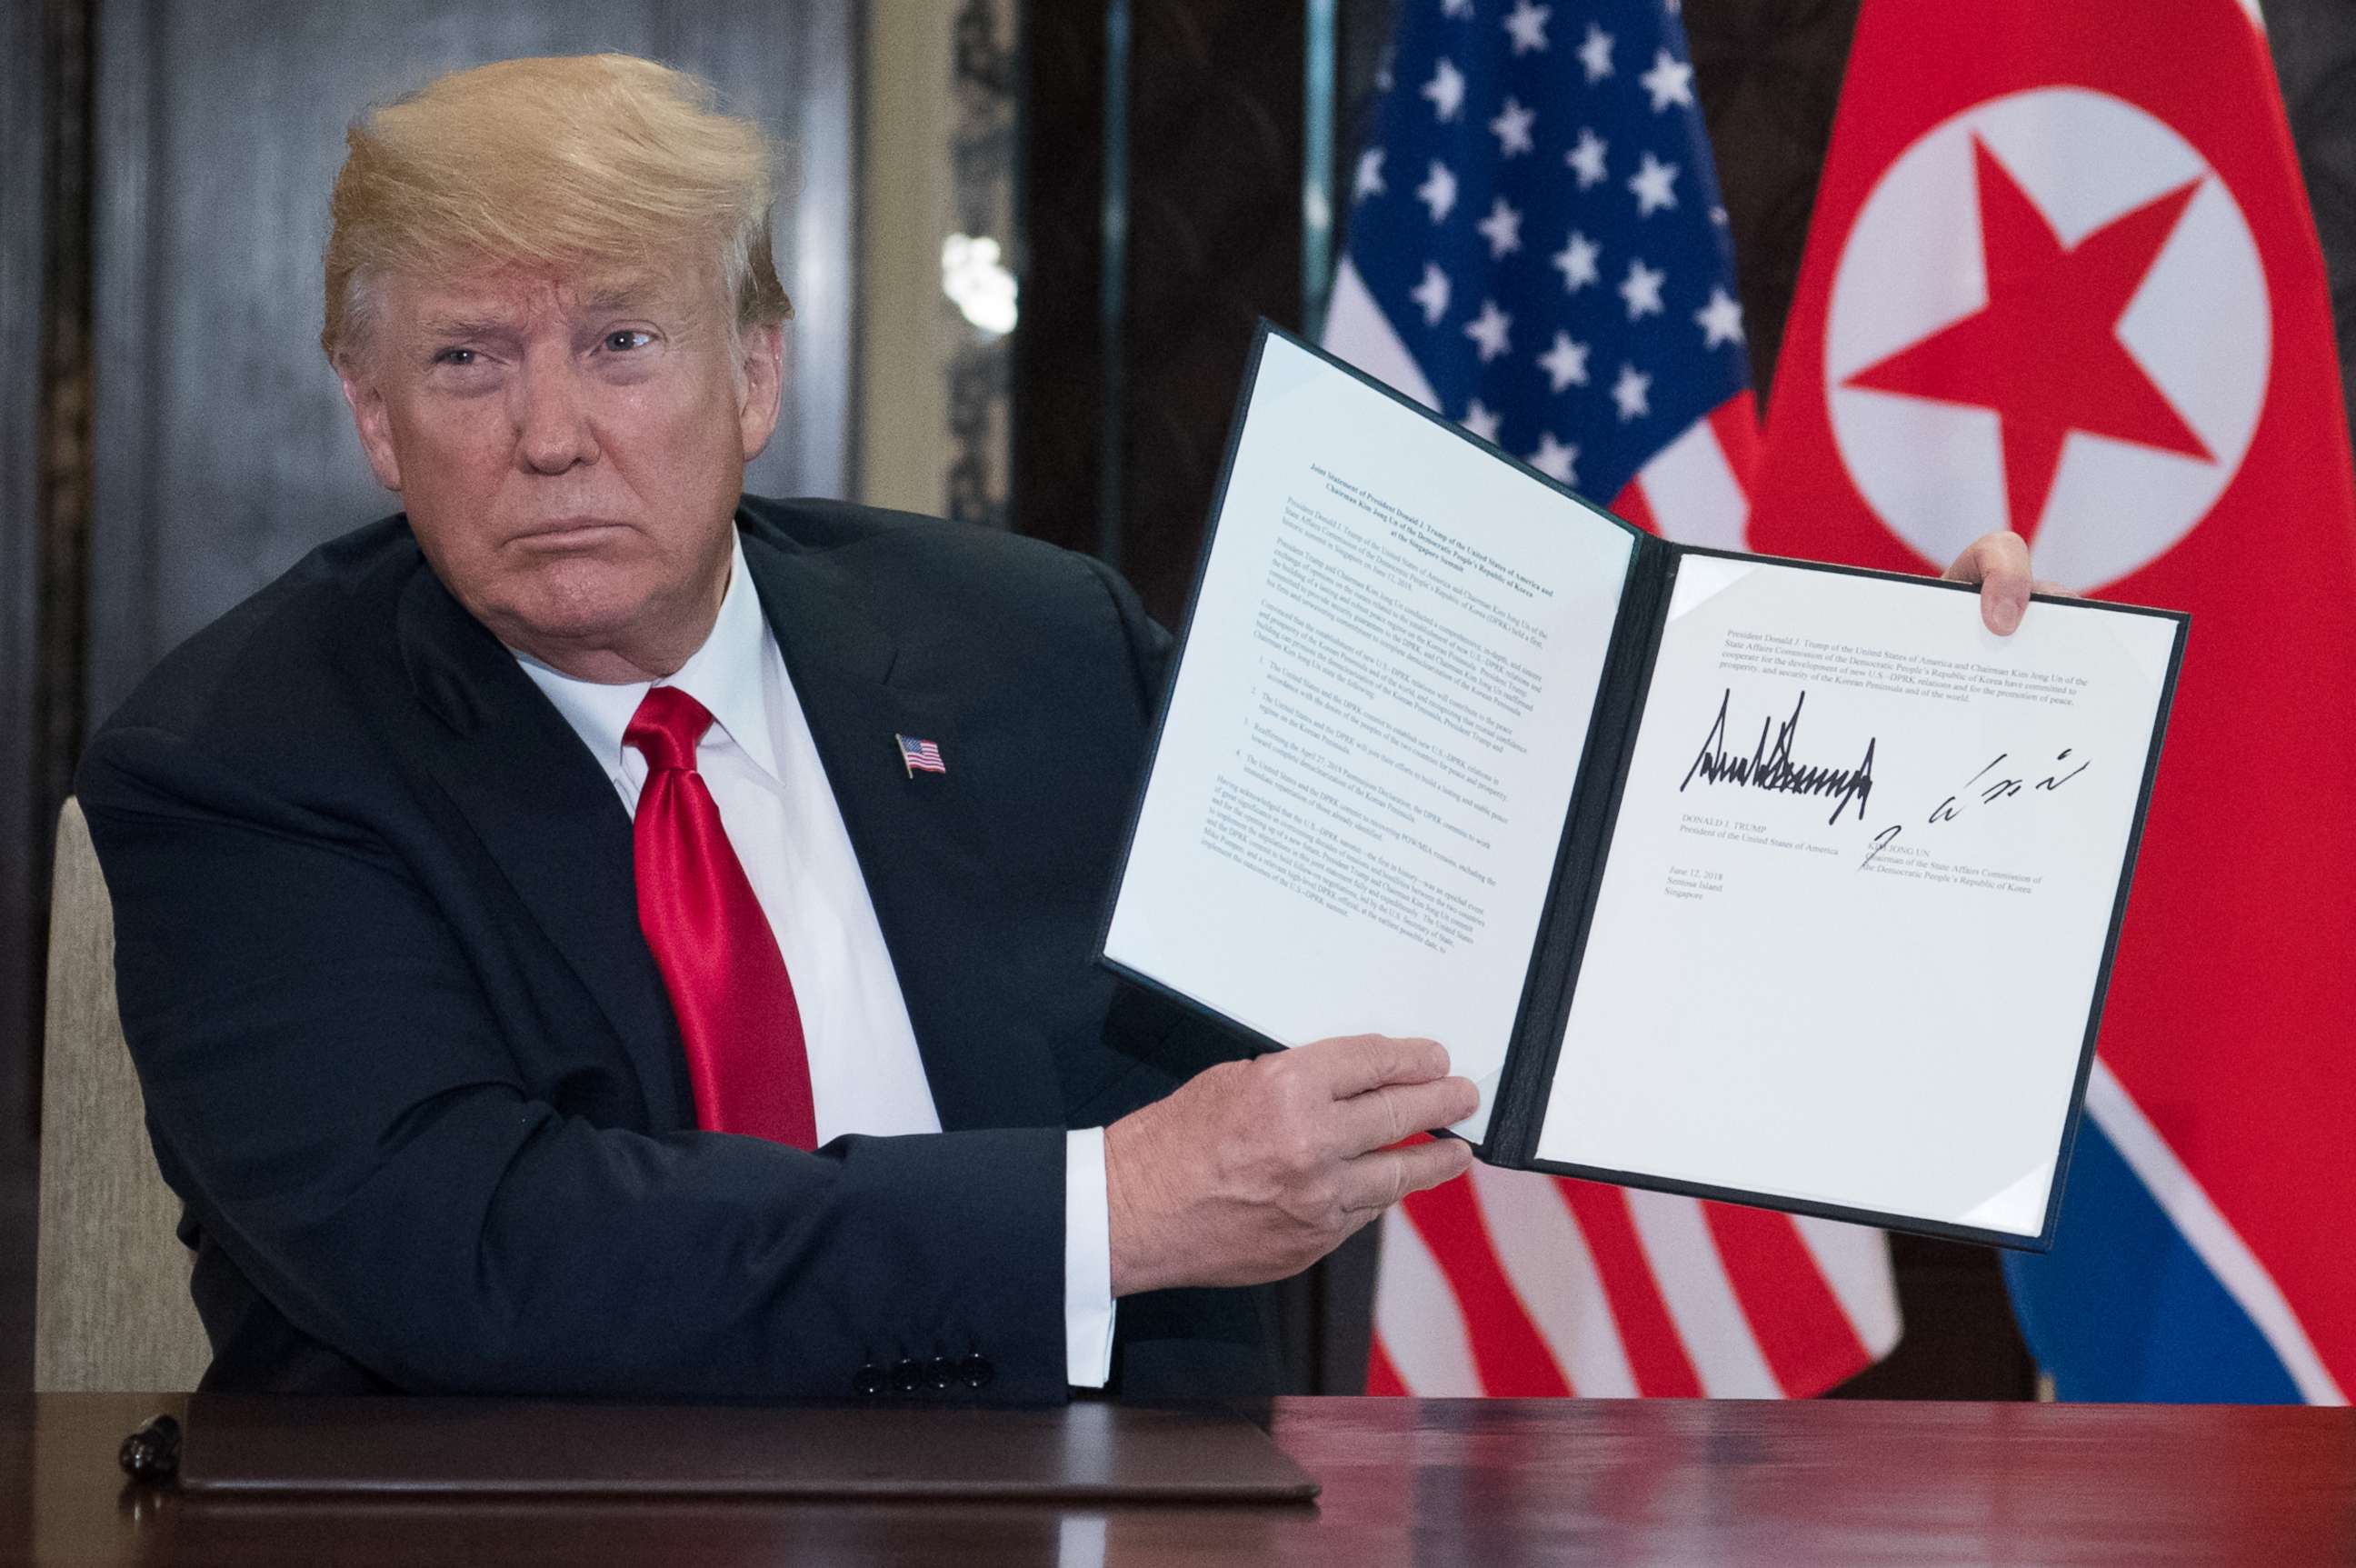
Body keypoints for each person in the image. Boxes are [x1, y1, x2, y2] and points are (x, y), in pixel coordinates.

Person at [77, 54, 2041, 1402]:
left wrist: (1869, 704)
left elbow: (1502, 891)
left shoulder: (1026, 644)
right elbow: (481, 1251)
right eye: (466, 359)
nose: (554, 429)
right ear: (371, 414)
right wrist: (1111, 1205)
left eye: (623, 338)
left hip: (1086, 1506)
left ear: (758, 371)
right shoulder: (249, 757)